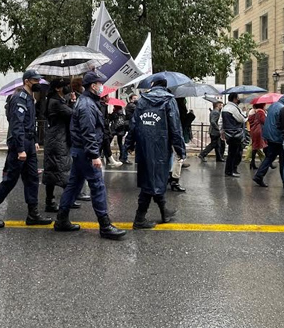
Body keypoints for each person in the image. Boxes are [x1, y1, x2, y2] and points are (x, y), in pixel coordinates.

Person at [52, 71, 126, 240]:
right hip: (86, 153)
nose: (102, 87)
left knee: (74, 186)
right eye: (100, 84)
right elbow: (88, 132)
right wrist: (94, 155)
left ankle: (61, 220)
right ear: (93, 86)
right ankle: (105, 225)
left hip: (80, 152)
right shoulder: (86, 105)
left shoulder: (88, 102)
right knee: (98, 186)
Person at [0, 70, 53, 228]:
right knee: (10, 180)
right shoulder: (19, 98)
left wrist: (33, 140)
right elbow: (17, 125)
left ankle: (33, 214)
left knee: (32, 178)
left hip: (28, 142)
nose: (38, 84)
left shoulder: (29, 98)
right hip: (19, 144)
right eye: (36, 81)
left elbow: (30, 123)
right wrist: (21, 149)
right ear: (27, 81)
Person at [124, 76, 185, 229]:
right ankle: (139, 218)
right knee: (152, 181)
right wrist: (180, 149)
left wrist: (129, 144)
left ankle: (164, 211)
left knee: (152, 178)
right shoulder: (169, 101)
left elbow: (133, 124)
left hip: (144, 147)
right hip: (161, 147)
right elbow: (175, 127)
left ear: (153, 85)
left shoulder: (142, 101)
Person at [42, 78, 80, 213]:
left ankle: (50, 201)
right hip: (57, 140)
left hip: (56, 138)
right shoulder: (55, 102)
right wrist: (74, 102)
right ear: (58, 88)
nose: (67, 88)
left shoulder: (56, 100)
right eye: (65, 86)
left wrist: (70, 101)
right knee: (62, 169)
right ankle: (67, 199)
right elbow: (73, 114)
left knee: (53, 171)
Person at [253, 94, 284, 187]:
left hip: (270, 136)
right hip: (278, 137)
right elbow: (282, 123)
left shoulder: (274, 105)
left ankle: (259, 175)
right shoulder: (283, 108)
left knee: (270, 157)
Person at [221, 93, 246, 177]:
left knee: (232, 152)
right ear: (235, 99)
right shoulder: (233, 108)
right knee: (235, 152)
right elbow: (242, 119)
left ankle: (230, 170)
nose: (239, 100)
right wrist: (246, 116)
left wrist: (222, 131)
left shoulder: (224, 108)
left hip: (228, 133)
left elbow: (221, 122)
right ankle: (230, 170)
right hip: (235, 133)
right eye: (238, 98)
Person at [120, 94, 139, 164]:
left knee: (130, 142)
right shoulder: (131, 105)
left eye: (137, 98)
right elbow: (139, 108)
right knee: (128, 142)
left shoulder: (131, 105)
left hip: (132, 125)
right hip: (131, 125)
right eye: (134, 98)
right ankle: (124, 158)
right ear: (131, 99)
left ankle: (125, 156)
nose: (136, 100)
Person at [248, 103, 267, 169]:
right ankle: (267, 162)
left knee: (255, 146)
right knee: (264, 146)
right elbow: (264, 121)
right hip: (259, 130)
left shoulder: (252, 112)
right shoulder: (260, 112)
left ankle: (252, 163)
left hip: (254, 130)